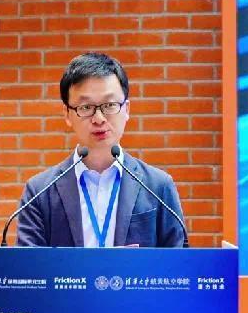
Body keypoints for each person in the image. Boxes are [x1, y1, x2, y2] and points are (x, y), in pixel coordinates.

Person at [16, 52, 185, 247]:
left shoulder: (158, 186)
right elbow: (28, 264)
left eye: (110, 105)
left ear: (127, 109)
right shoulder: (39, 192)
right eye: (86, 107)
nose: (99, 118)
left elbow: (179, 260)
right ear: (67, 114)